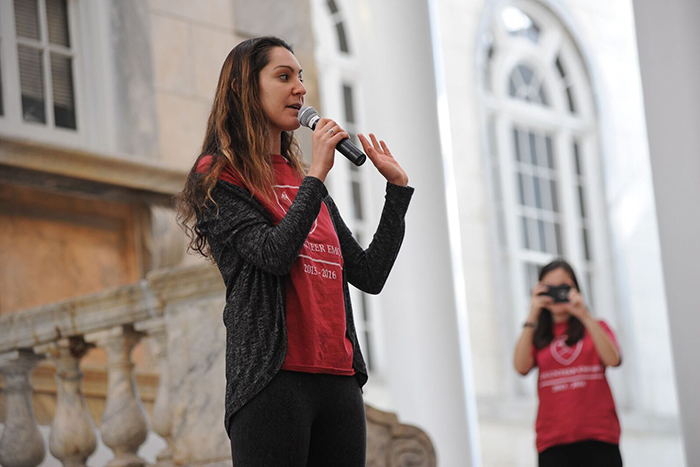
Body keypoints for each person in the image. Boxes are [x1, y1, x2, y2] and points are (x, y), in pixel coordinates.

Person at [176, 36, 413, 466]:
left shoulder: (303, 179)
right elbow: (273, 255)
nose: (300, 89)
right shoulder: (218, 175)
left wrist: (396, 194)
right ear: (244, 88)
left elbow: (369, 274)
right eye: (283, 77)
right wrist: (318, 176)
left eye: (300, 77)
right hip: (274, 380)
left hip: (338, 380)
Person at [513, 259, 623, 467]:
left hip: (600, 436)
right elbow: (520, 367)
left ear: (576, 289)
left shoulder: (596, 327)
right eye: (550, 289)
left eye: (564, 287)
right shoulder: (538, 335)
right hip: (553, 442)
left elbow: (613, 359)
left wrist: (583, 314)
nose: (557, 295)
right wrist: (532, 313)